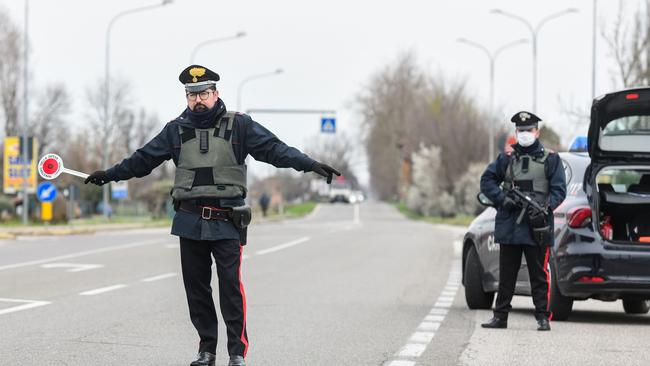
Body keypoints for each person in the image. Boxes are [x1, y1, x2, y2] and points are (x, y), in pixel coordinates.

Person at [84, 65, 340, 366]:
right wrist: (109, 175)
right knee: (197, 290)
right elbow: (142, 160)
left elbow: (275, 150)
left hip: (227, 219)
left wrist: (310, 164)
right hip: (189, 221)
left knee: (230, 287)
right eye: (191, 95)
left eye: (203, 93)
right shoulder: (175, 130)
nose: (197, 100)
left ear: (215, 93)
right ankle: (206, 350)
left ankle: (236, 353)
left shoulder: (240, 126)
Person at [479, 111, 566, 331]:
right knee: (506, 274)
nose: (525, 134)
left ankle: (542, 317)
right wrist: (502, 200)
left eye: (528, 130)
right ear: (516, 132)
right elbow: (486, 180)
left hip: (537, 225)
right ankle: (500, 317)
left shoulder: (551, 159)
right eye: (521, 130)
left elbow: (559, 191)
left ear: (537, 131)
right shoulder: (506, 158)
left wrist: (545, 208)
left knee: (538, 274)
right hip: (510, 224)